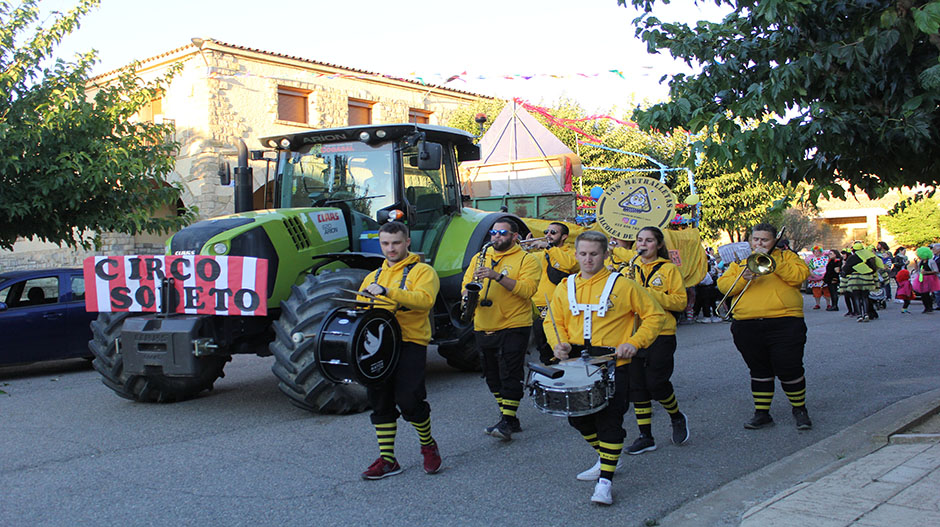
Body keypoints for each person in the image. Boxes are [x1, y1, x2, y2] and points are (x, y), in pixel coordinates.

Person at [544, 230, 666, 505]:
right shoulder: (565, 286)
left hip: (613, 362)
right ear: (575, 255)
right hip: (575, 362)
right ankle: (609, 458)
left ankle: (605, 483)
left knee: (610, 420)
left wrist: (635, 342)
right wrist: (559, 344)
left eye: (594, 254)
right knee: (578, 418)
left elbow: (654, 315)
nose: (588, 259)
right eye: (583, 254)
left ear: (605, 255)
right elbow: (553, 321)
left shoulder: (623, 285)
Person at [357, 222, 442, 480]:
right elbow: (361, 309)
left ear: (407, 242)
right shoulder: (372, 276)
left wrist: (388, 292)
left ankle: (428, 444)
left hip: (411, 342)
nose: (390, 248)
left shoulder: (423, 271)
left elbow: (425, 300)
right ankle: (388, 460)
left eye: (395, 243)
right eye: (385, 243)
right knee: (379, 401)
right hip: (380, 346)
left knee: (409, 400)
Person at [717, 223, 813, 430]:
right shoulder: (740, 262)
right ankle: (762, 413)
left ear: (774, 241)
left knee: (789, 367)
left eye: (764, 240)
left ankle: (800, 409)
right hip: (747, 323)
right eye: (756, 239)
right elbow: (724, 287)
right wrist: (743, 277)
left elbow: (800, 277)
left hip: (785, 320)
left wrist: (774, 262)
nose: (759, 243)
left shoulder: (787, 257)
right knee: (758, 369)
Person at [462, 218, 541, 441]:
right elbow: (466, 282)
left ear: (514, 236)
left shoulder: (528, 259)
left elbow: (527, 290)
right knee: (491, 375)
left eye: (502, 233)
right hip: (484, 323)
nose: (496, 237)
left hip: (515, 323)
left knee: (510, 372)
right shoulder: (480, 257)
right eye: (493, 233)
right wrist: (465, 295)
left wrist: (497, 276)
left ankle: (507, 419)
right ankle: (510, 418)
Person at [625, 226, 690, 455]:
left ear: (659, 245)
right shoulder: (629, 270)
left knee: (656, 383)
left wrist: (647, 293)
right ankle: (645, 436)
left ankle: (676, 416)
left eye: (649, 240)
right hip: (633, 334)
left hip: (662, 333)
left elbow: (680, 302)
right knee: (637, 386)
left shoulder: (669, 269)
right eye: (640, 240)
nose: (643, 245)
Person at [527, 222, 579, 365]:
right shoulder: (540, 254)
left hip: (562, 307)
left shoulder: (571, 252)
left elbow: (570, 264)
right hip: (540, 307)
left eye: (553, 232)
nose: (548, 235)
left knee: (566, 351)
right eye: (546, 232)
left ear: (564, 236)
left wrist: (549, 248)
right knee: (545, 352)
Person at [842, 242, 880, 322]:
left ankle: (859, 315)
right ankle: (866, 313)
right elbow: (873, 268)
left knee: (856, 297)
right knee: (865, 296)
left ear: (854, 250)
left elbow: (846, 269)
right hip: (867, 279)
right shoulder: (869, 256)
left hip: (855, 279)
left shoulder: (852, 258)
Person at [912, 246, 939, 313]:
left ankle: (929, 307)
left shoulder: (931, 261)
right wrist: (915, 263)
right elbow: (916, 269)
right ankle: (926, 307)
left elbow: (936, 270)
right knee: (923, 294)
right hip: (922, 278)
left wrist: (926, 272)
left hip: (929, 278)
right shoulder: (920, 261)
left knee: (926, 293)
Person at [805, 246, 831, 310]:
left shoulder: (825, 258)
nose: (816, 252)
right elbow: (810, 267)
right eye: (815, 251)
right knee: (816, 291)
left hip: (825, 278)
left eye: (818, 251)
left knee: (826, 291)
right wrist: (812, 274)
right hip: (816, 278)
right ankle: (817, 304)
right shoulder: (812, 260)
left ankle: (828, 304)